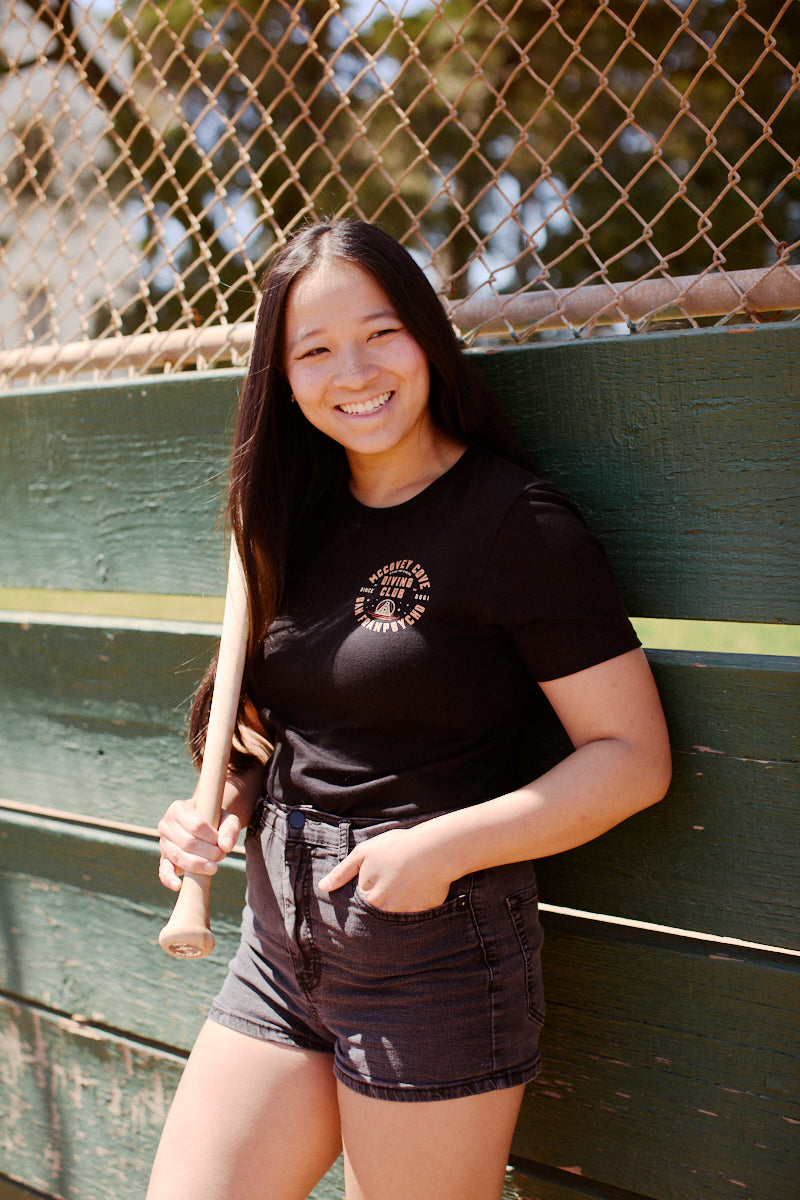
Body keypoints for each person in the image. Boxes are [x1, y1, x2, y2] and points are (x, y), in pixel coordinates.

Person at [147, 218, 671, 1200]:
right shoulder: (292, 517)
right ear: (285, 377)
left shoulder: (512, 521)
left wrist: (436, 851)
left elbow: (630, 757)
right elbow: (281, 728)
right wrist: (220, 807)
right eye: (313, 349)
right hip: (277, 934)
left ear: (426, 336)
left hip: (428, 941)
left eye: (379, 332)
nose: (352, 369)